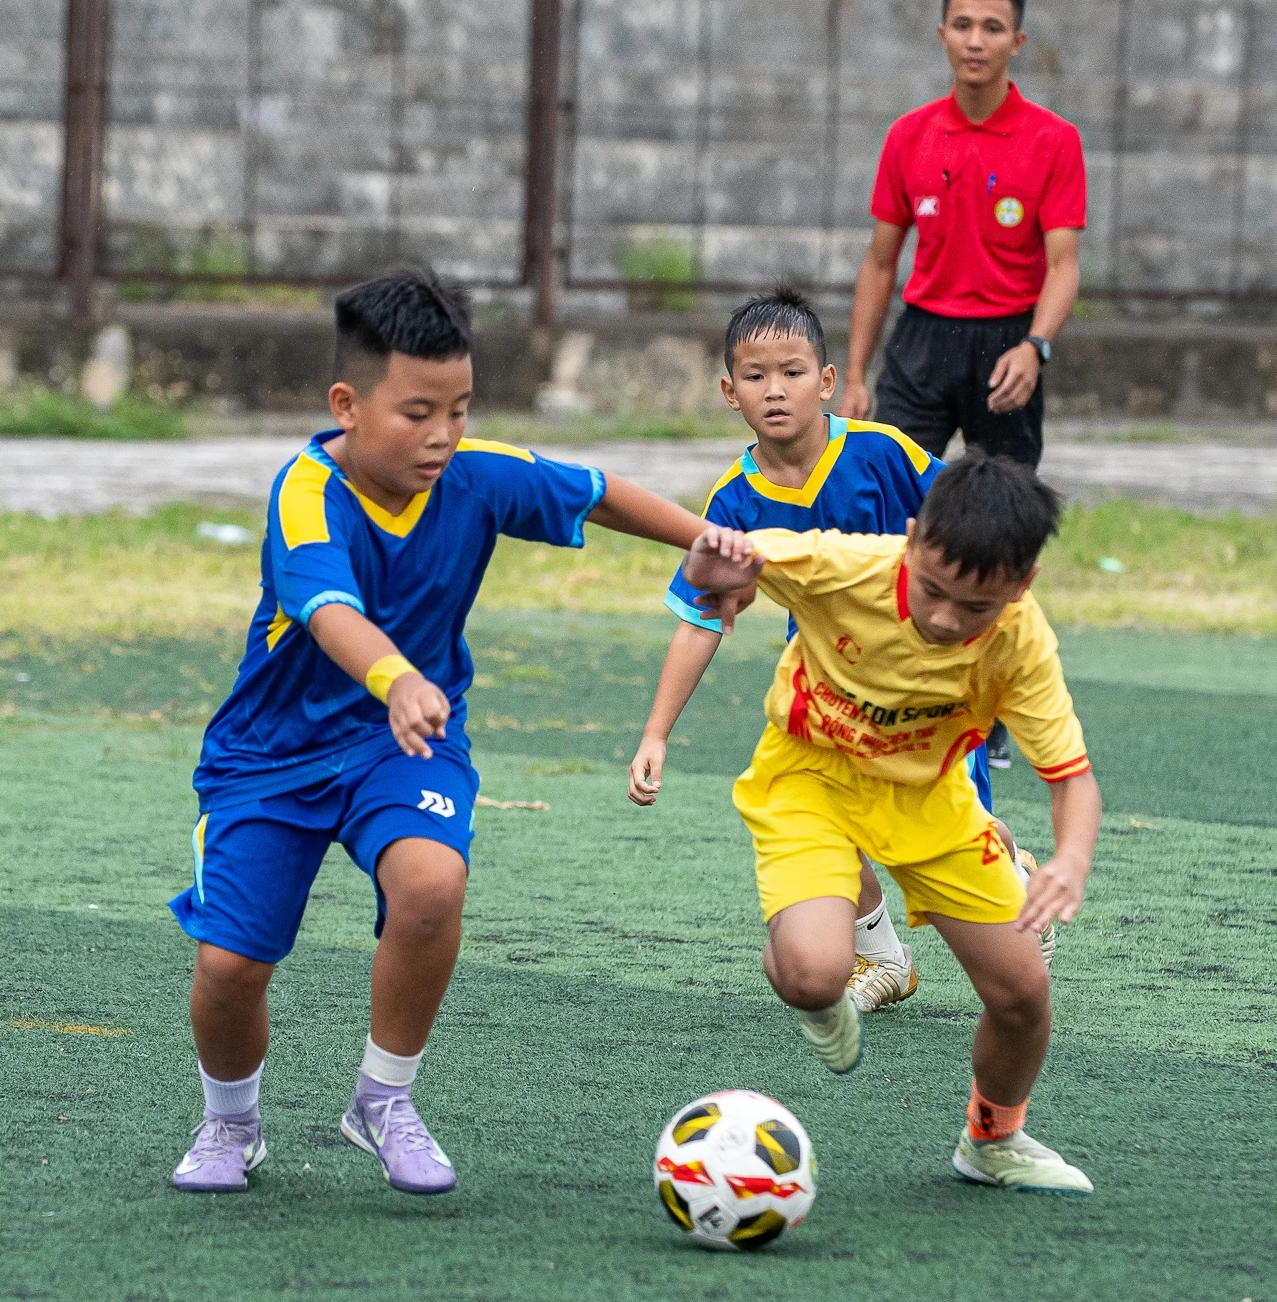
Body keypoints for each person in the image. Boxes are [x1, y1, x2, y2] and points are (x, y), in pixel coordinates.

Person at [166, 269, 745, 1195]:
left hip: (406, 742)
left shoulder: (474, 475)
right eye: (418, 412)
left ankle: (381, 1100)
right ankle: (230, 1122)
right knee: (232, 963)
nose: (442, 435)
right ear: (347, 405)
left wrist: (701, 539)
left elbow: (594, 490)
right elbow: (328, 610)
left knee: (432, 882)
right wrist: (395, 678)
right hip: (269, 759)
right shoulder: (306, 493)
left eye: (461, 409)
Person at [681, 453, 1103, 1195]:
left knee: (1023, 992)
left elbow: (1071, 777)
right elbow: (719, 557)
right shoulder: (842, 564)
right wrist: (716, 573)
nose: (945, 619)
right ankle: (803, 974)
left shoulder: (1022, 640)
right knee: (815, 975)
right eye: (933, 590)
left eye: (976, 607)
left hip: (929, 803)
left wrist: (1069, 857)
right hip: (809, 778)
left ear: (1022, 585)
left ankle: (992, 1141)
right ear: (910, 538)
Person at [625, 285, 1007, 1017]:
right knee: (822, 816)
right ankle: (882, 954)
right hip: (828, 695)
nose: (776, 390)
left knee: (954, 841)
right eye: (757, 376)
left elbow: (969, 519)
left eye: (793, 372)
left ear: (827, 381)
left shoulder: (881, 452)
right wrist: (655, 733)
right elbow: (702, 618)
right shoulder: (733, 501)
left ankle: (1013, 875)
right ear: (729, 391)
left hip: (927, 690)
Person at [841, 0, 1087, 770]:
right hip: (921, 344)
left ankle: (997, 705)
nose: (975, 40)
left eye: (992, 27)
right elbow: (880, 263)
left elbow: (1063, 263)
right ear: (941, 33)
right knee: (881, 505)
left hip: (1006, 346)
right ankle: (878, 680)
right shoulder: (910, 136)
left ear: (1018, 41)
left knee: (1002, 521)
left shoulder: (1053, 140)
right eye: (962, 25)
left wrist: (1035, 345)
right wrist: (855, 371)